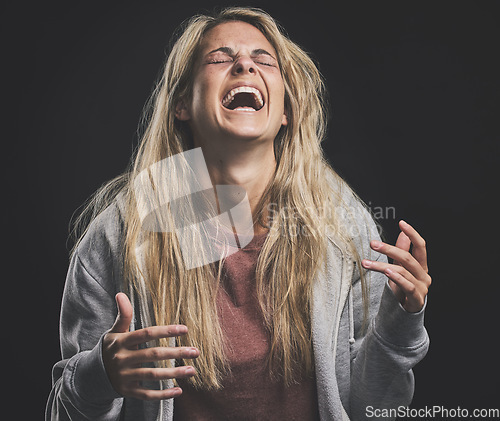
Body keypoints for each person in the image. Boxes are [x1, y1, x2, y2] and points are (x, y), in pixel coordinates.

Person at [46, 6, 431, 421]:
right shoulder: (120, 237)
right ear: (182, 105)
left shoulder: (340, 227)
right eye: (219, 59)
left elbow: (375, 409)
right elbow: (62, 413)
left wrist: (400, 324)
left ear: (285, 111)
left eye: (264, 60)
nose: (244, 64)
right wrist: (99, 375)